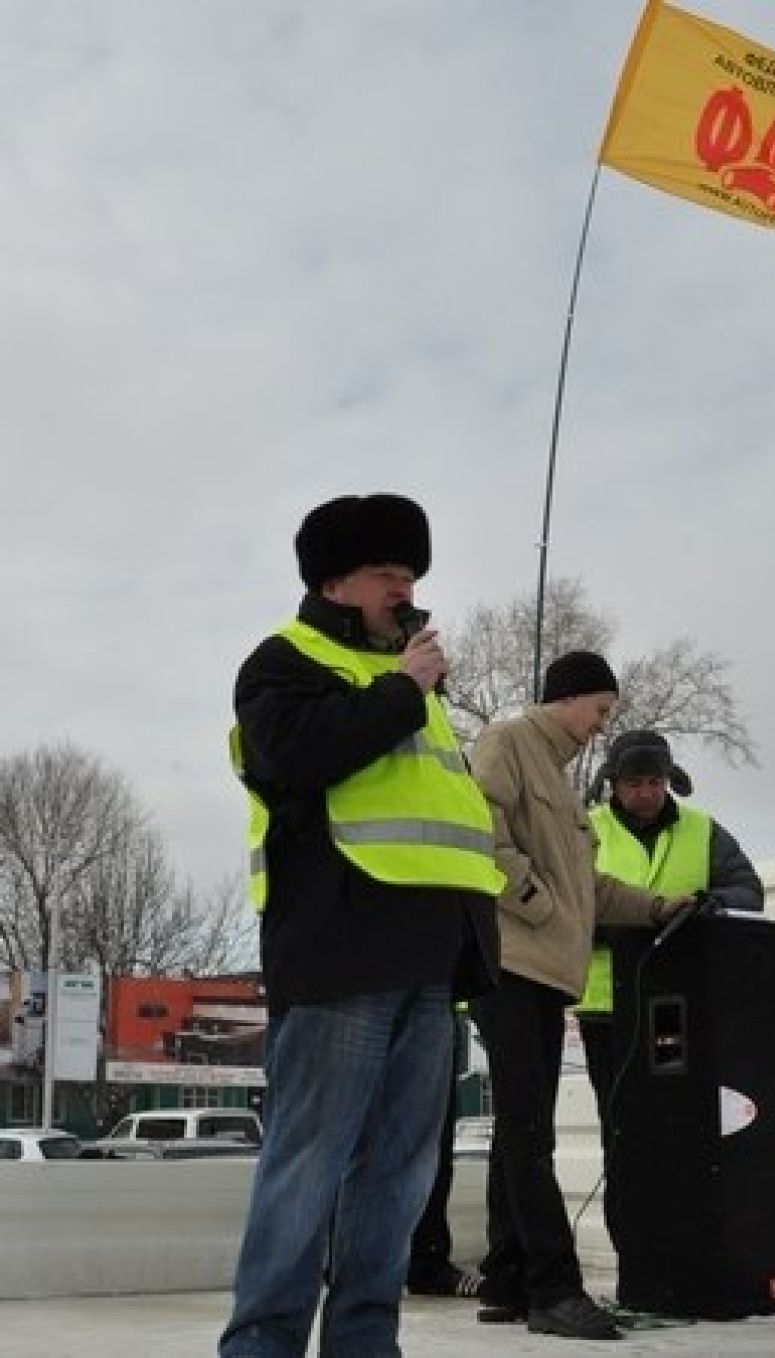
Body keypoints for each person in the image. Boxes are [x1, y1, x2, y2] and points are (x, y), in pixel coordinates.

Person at [219, 493, 503, 1358]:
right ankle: (262, 1346)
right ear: (336, 580)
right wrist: (402, 690)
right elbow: (297, 758)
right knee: (306, 1168)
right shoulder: (282, 663)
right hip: (344, 955)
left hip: (433, 957)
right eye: (388, 573)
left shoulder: (418, 690)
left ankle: (365, 1343)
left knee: (399, 1175)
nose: (405, 589)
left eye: (412, 574)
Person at [467, 652, 692, 1343]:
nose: (603, 726)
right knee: (532, 1132)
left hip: (543, 974)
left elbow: (588, 889)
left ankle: (507, 1279)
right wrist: (536, 905)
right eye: (600, 709)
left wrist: (657, 908)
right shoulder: (506, 743)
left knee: (517, 1130)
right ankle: (553, 1292)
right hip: (510, 966)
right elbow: (479, 832)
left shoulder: (564, 785)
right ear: (567, 700)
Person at [576, 728, 764, 1251]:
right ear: (612, 784)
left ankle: (687, 1249)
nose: (645, 792)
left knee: (685, 1133)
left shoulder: (705, 832)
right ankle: (635, 1255)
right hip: (608, 1011)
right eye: (634, 782)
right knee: (624, 1136)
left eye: (655, 781)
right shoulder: (583, 830)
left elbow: (748, 891)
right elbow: (563, 905)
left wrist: (708, 905)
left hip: (685, 1009)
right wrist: (609, 927)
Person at [405, 1009, 481, 1299]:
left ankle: (427, 1260)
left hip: (435, 992)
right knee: (362, 1141)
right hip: (364, 989)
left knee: (433, 1145)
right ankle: (349, 1263)